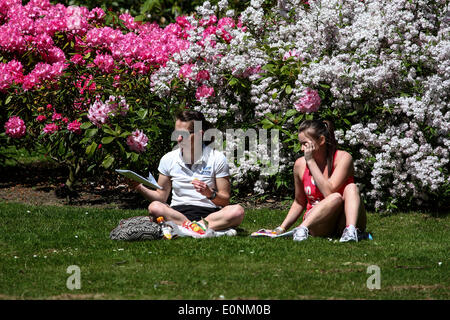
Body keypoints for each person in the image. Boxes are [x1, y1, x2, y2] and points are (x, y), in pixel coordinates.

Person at [127, 110, 245, 236]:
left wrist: (209, 194)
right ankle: (198, 229)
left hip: (210, 215)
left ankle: (187, 229)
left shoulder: (217, 158)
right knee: (154, 207)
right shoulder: (169, 158)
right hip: (177, 214)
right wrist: (139, 187)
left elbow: (225, 200)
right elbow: (161, 197)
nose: (178, 138)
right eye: (176, 133)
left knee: (237, 211)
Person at [273, 119, 367, 242]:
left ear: (321, 140)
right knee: (335, 198)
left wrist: (311, 161)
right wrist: (282, 228)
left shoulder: (343, 158)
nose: (302, 149)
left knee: (351, 188)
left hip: (345, 219)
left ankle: (350, 231)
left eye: (305, 144)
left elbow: (328, 192)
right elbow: (299, 202)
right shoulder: (300, 165)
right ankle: (302, 228)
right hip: (319, 223)